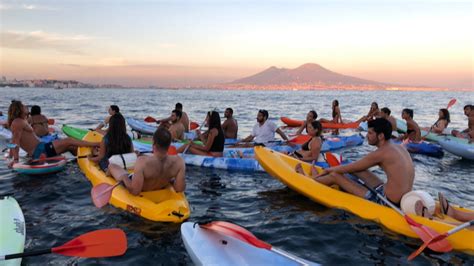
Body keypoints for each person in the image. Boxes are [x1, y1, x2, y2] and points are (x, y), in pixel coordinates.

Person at [301, 118, 414, 206]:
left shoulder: (381, 153)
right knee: (359, 170)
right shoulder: (399, 148)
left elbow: (350, 168)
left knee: (335, 175)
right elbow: (356, 168)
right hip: (401, 198)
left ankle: (311, 180)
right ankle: (323, 177)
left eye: (370, 133)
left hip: (387, 201)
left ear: (381, 136)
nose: (367, 136)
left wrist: (330, 169)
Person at [7, 101, 99, 168]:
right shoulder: (17, 122)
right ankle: (97, 144)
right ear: (19, 109)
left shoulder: (21, 121)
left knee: (71, 147)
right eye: (23, 106)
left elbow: (13, 139)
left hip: (41, 148)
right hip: (40, 151)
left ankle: (88, 160)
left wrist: (11, 156)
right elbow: (16, 141)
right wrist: (15, 160)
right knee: (69, 140)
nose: (26, 107)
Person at [108, 128, 185, 195]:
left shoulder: (142, 162)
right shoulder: (179, 162)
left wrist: (124, 178)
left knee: (112, 166)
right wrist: (169, 179)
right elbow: (179, 189)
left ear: (154, 143)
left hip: (141, 187)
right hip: (160, 185)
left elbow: (135, 191)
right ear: (169, 145)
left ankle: (107, 172)